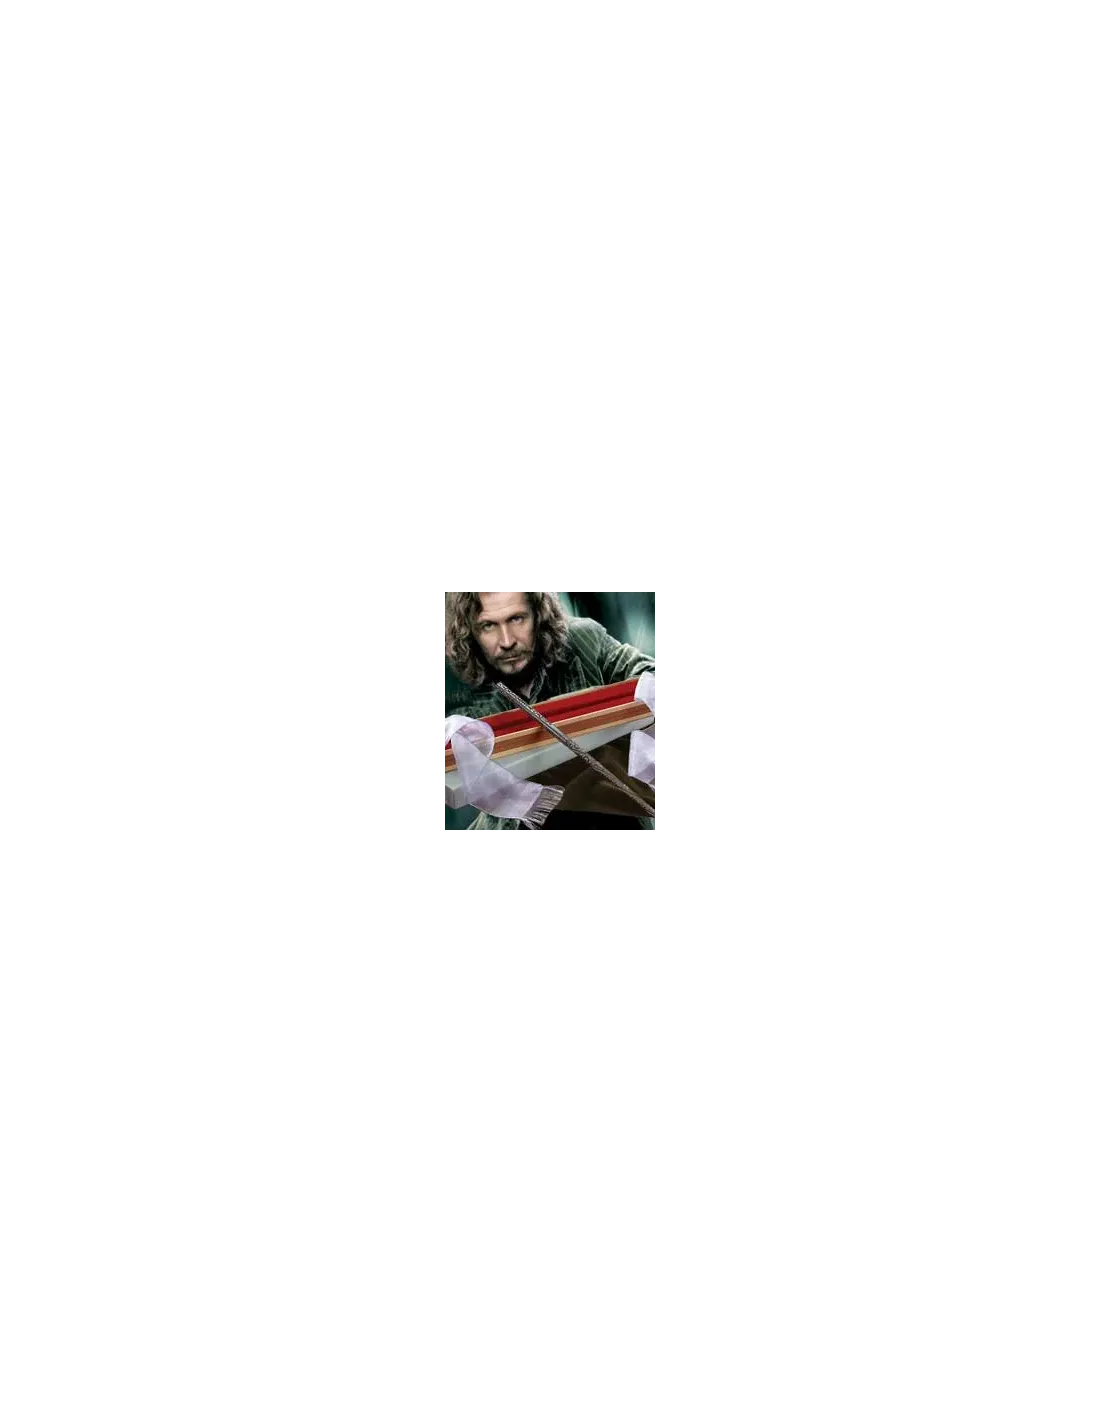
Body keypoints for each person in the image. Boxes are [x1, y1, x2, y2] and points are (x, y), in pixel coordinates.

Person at [441, 592, 655, 831]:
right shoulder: (457, 694)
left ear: (538, 614)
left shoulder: (584, 640)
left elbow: (650, 677)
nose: (507, 641)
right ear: (470, 631)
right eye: (488, 626)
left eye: (517, 619)